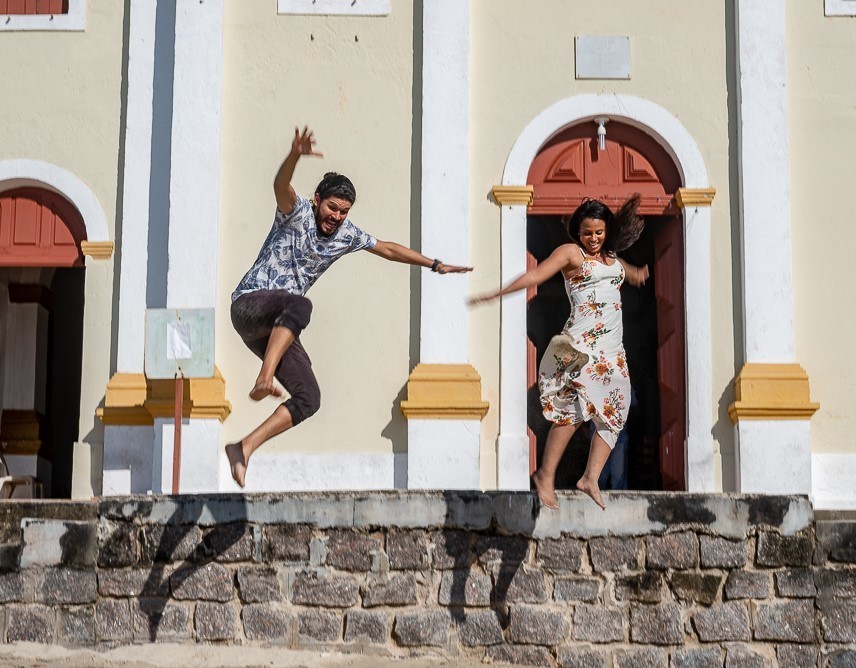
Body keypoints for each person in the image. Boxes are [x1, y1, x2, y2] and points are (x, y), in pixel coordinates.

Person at [225, 126, 471, 488]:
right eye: (332, 207)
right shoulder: (296, 213)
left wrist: (434, 264)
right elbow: (280, 184)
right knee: (300, 305)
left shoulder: (347, 234)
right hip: (249, 304)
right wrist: (294, 154)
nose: (336, 216)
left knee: (309, 398)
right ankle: (265, 377)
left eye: (343, 211)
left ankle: (243, 448)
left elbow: (387, 248)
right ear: (317, 200)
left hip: (277, 325)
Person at [471, 196, 648, 510]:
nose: (592, 239)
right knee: (574, 411)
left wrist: (636, 273)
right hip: (584, 345)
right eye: (586, 233)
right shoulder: (572, 254)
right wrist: (497, 293)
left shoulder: (612, 258)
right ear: (577, 233)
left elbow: (627, 272)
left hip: (612, 351)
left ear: (607, 230)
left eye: (598, 232)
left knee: (615, 416)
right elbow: (536, 276)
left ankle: (589, 478)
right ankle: (545, 475)